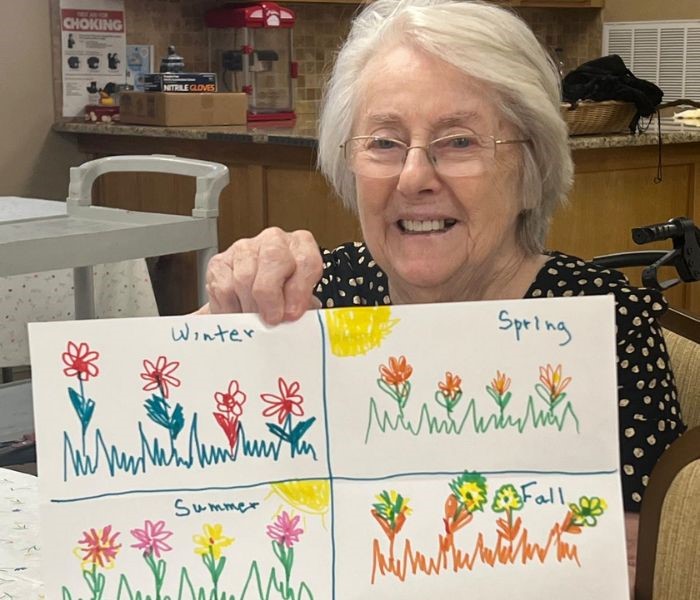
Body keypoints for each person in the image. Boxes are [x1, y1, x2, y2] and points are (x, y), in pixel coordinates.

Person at [198, 0, 685, 524]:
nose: (413, 177)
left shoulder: (605, 326)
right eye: (384, 142)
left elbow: (644, 559)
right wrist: (226, 322)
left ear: (530, 172)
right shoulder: (314, 300)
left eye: (458, 141)